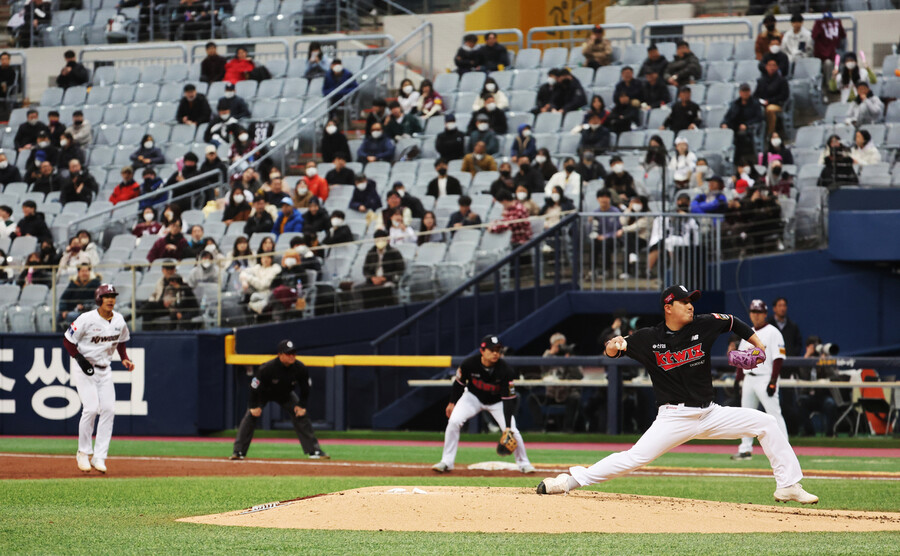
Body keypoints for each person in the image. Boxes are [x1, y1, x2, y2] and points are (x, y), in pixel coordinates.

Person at [536, 284, 818, 506]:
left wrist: (758, 347)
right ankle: (570, 480)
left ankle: (788, 485)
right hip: (674, 416)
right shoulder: (648, 338)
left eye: (691, 301)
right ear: (668, 307)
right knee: (634, 458)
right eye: (685, 301)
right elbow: (611, 351)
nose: (691, 306)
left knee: (766, 423)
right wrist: (614, 344)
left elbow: (733, 322)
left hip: (710, 413)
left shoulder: (703, 325)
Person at [433, 335, 534, 474]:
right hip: (473, 398)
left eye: (498, 350)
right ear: (482, 350)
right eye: (492, 350)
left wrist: (508, 427)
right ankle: (446, 462)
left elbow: (508, 399)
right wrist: (452, 403)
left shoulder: (506, 370)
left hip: (497, 402)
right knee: (454, 421)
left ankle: (524, 463)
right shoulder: (469, 364)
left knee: (513, 432)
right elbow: (459, 384)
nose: (495, 353)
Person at [64, 284, 134, 474]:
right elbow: (68, 340)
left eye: (113, 296)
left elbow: (121, 340)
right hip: (83, 368)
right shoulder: (87, 318)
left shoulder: (119, 320)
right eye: (106, 296)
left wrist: (125, 358)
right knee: (91, 408)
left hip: (104, 369)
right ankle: (83, 452)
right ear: (99, 299)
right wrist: (80, 359)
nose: (111, 299)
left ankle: (99, 456)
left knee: (109, 410)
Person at [230, 339, 329, 460]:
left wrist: (302, 405)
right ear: (280, 354)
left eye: (293, 353)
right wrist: (253, 406)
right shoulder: (267, 368)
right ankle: (238, 451)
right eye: (288, 353)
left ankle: (315, 451)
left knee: (301, 415)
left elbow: (305, 388)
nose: (292, 356)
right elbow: (254, 387)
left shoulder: (300, 368)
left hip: (285, 394)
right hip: (263, 394)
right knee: (250, 416)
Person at [732, 299, 789, 460]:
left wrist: (773, 381)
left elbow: (779, 358)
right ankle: (745, 449)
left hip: (765, 378)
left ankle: (785, 449)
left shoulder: (773, 332)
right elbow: (741, 359)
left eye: (759, 312)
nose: (756, 316)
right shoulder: (747, 332)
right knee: (746, 415)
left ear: (765, 314)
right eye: (753, 312)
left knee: (774, 414)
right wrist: (738, 380)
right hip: (749, 379)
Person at [529, 332, 584, 432]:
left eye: (564, 344)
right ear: (552, 345)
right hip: (552, 394)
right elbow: (543, 368)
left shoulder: (570, 356)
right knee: (532, 398)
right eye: (559, 345)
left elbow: (579, 375)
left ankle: (568, 429)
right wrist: (551, 353)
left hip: (567, 393)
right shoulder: (547, 356)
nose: (562, 347)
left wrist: (570, 361)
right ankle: (540, 426)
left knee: (575, 397)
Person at [359, 229, 405, 308]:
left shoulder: (394, 252)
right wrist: (372, 278)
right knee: (357, 288)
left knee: (386, 288)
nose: (380, 241)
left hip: (388, 280)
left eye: (382, 239)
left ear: (387, 240)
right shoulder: (371, 252)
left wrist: (385, 278)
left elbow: (400, 269)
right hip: (373, 281)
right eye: (378, 239)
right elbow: (365, 270)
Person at [723, 83, 764, 163]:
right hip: (735, 127)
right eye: (743, 91)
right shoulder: (735, 104)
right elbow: (728, 117)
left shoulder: (755, 103)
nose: (745, 93)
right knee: (727, 134)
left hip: (749, 129)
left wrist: (747, 125)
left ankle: (739, 160)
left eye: (747, 91)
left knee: (740, 136)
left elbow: (759, 118)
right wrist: (724, 124)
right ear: (740, 92)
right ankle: (729, 160)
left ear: (749, 92)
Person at [617, 195, 652, 279]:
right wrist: (629, 209)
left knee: (629, 240)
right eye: (633, 202)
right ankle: (633, 255)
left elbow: (637, 226)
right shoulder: (631, 212)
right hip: (631, 240)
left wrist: (623, 230)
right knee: (629, 243)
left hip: (643, 240)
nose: (635, 204)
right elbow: (622, 221)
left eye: (638, 202)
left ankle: (627, 271)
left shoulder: (648, 214)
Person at [589, 189, 622, 276]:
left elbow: (618, 228)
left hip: (613, 239)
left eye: (606, 197)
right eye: (601, 197)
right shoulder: (595, 213)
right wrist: (596, 236)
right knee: (594, 244)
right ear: (597, 199)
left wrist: (606, 236)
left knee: (606, 243)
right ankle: (592, 270)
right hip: (599, 238)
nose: (604, 199)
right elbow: (592, 229)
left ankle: (606, 270)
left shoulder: (616, 212)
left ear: (610, 199)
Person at [812, 12, 845, 89]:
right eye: (826, 20)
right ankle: (829, 86)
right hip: (822, 58)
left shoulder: (837, 24)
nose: (827, 22)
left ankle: (837, 86)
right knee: (828, 63)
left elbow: (843, 40)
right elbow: (814, 37)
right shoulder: (819, 25)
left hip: (835, 56)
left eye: (829, 20)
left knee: (836, 64)